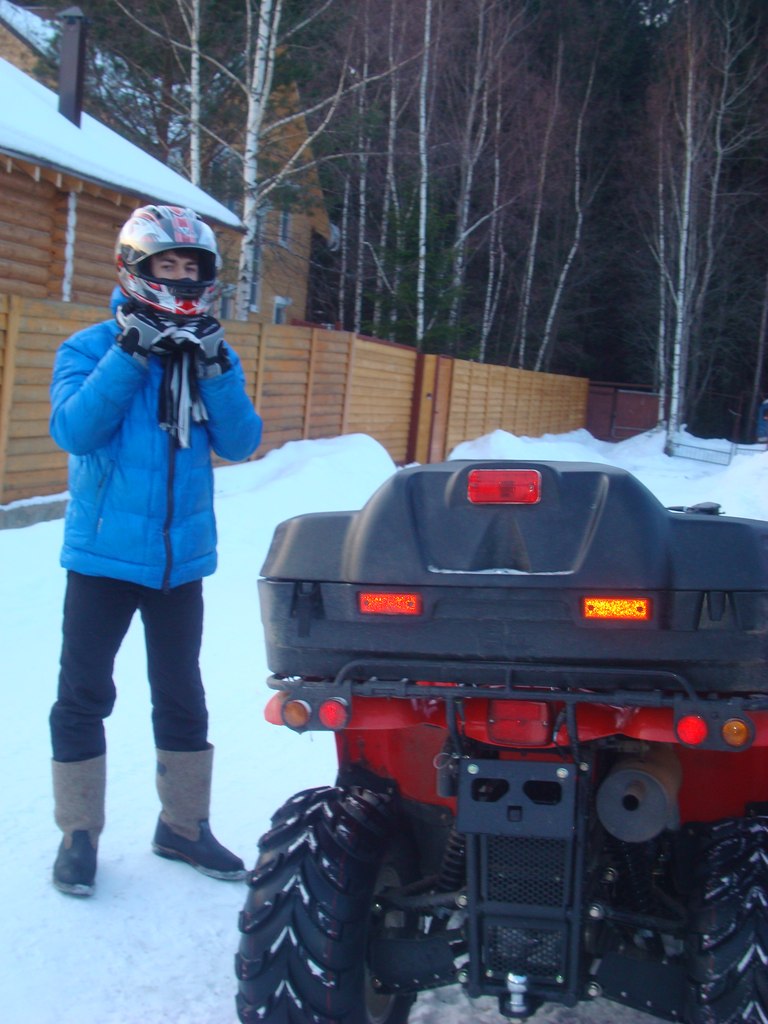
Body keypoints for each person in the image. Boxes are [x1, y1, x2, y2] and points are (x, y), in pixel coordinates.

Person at [48, 204, 263, 897]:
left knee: (181, 696)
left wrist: (215, 370)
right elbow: (76, 430)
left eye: (190, 267)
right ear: (136, 270)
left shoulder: (213, 353)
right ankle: (78, 834)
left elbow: (240, 442)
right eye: (166, 265)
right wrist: (129, 354)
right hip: (104, 558)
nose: (180, 277)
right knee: (83, 696)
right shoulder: (88, 347)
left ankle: (183, 826)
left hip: (180, 561)